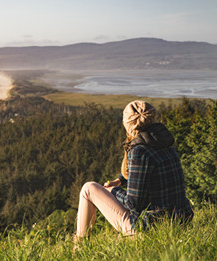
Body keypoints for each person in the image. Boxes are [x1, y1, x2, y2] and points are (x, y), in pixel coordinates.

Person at [74, 100, 194, 242]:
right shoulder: (164, 143)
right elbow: (146, 173)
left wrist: (113, 190)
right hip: (181, 223)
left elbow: (134, 205)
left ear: (128, 125)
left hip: (153, 229)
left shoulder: (139, 151)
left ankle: (80, 246)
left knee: (89, 188)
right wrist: (120, 180)